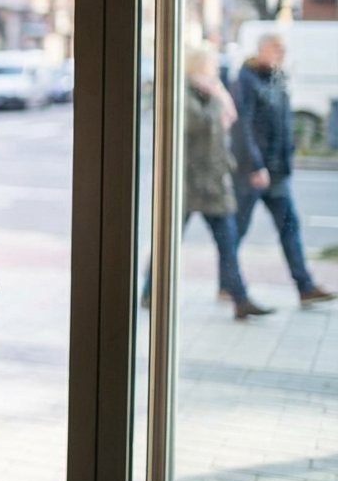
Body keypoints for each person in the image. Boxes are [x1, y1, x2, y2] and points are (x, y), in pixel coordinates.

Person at [140, 47, 274, 319]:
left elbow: (230, 119)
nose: (215, 71)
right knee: (168, 241)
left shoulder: (213, 92)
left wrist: (218, 95)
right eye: (210, 66)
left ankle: (240, 298)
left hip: (214, 185)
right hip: (185, 185)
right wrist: (216, 99)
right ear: (196, 68)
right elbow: (198, 124)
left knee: (228, 242)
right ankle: (148, 290)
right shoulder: (180, 94)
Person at [231, 34, 333, 305]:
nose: (281, 54)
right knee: (234, 231)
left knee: (290, 227)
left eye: (284, 49)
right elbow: (243, 125)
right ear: (261, 49)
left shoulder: (278, 78)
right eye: (276, 49)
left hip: (277, 172)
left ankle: (305, 286)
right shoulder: (246, 79)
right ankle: (228, 284)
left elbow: (283, 121)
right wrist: (255, 165)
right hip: (254, 172)